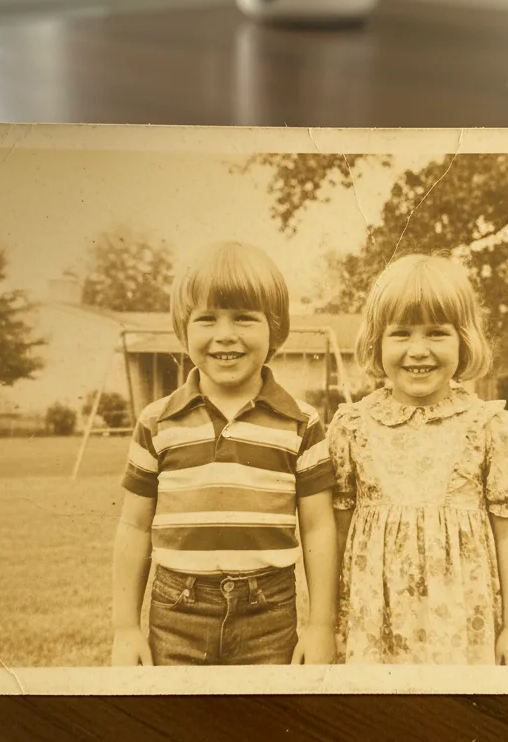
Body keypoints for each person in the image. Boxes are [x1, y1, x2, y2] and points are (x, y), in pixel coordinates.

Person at [110, 242, 338, 666]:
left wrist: (321, 626)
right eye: (207, 319)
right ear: (184, 330)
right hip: (176, 613)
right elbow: (134, 526)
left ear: (274, 329)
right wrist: (125, 628)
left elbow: (319, 528)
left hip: (268, 613)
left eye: (244, 318)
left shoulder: (302, 423)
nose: (225, 334)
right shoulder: (156, 422)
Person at [328, 254, 508, 666]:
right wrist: (329, 623)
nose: (418, 350)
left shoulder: (492, 428)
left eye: (437, 333)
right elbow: (337, 534)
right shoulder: (352, 427)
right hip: (373, 624)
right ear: (377, 342)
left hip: (459, 626)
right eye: (401, 333)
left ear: (464, 340)